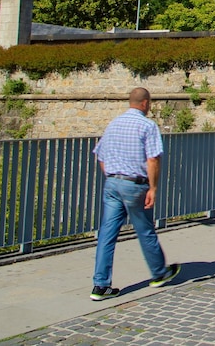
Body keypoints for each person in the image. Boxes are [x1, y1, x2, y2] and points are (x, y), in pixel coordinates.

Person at [90, 87, 180, 301]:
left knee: (106, 235)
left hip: (112, 183)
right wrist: (153, 188)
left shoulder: (114, 124)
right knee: (145, 230)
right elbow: (153, 159)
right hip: (135, 185)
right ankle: (159, 273)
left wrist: (113, 177)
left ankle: (100, 286)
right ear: (145, 103)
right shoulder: (147, 125)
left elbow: (100, 155)